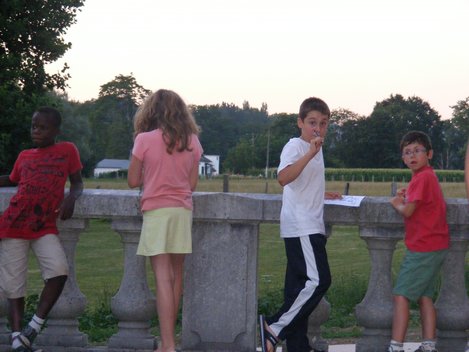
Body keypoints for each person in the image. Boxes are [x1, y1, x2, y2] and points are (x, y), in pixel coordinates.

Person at [259, 97, 341, 352]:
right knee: (318, 281)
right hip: (302, 225)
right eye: (312, 122)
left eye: (324, 123)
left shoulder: (315, 149)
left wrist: (322, 193)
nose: (318, 128)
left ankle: (298, 346)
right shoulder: (296, 146)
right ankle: (274, 328)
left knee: (297, 289)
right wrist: (309, 153)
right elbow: (283, 178)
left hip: (309, 223)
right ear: (300, 123)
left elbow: (302, 182)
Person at [0, 107, 83, 352]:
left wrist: (71, 198)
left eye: (42, 127)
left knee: (59, 270)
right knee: (15, 283)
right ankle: (18, 338)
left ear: (56, 130)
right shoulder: (25, 155)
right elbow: (12, 179)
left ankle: (33, 327)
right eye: (34, 126)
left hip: (43, 226)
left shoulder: (67, 150)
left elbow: (77, 182)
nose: (36, 131)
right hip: (13, 225)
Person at [127, 89, 203, 352]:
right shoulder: (192, 140)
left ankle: (168, 345)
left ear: (150, 111)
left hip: (157, 212)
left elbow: (133, 181)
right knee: (176, 275)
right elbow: (192, 184)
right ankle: (169, 342)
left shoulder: (144, 140)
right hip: (182, 211)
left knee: (162, 277)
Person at [388, 131, 449, 352]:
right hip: (435, 245)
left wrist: (396, 202)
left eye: (417, 151)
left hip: (423, 247)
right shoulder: (425, 176)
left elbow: (409, 210)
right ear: (403, 158)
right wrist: (408, 194)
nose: (412, 155)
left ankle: (396, 346)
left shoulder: (422, 178)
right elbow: (419, 202)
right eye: (407, 152)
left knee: (401, 295)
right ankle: (428, 345)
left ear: (429, 154)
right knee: (425, 296)